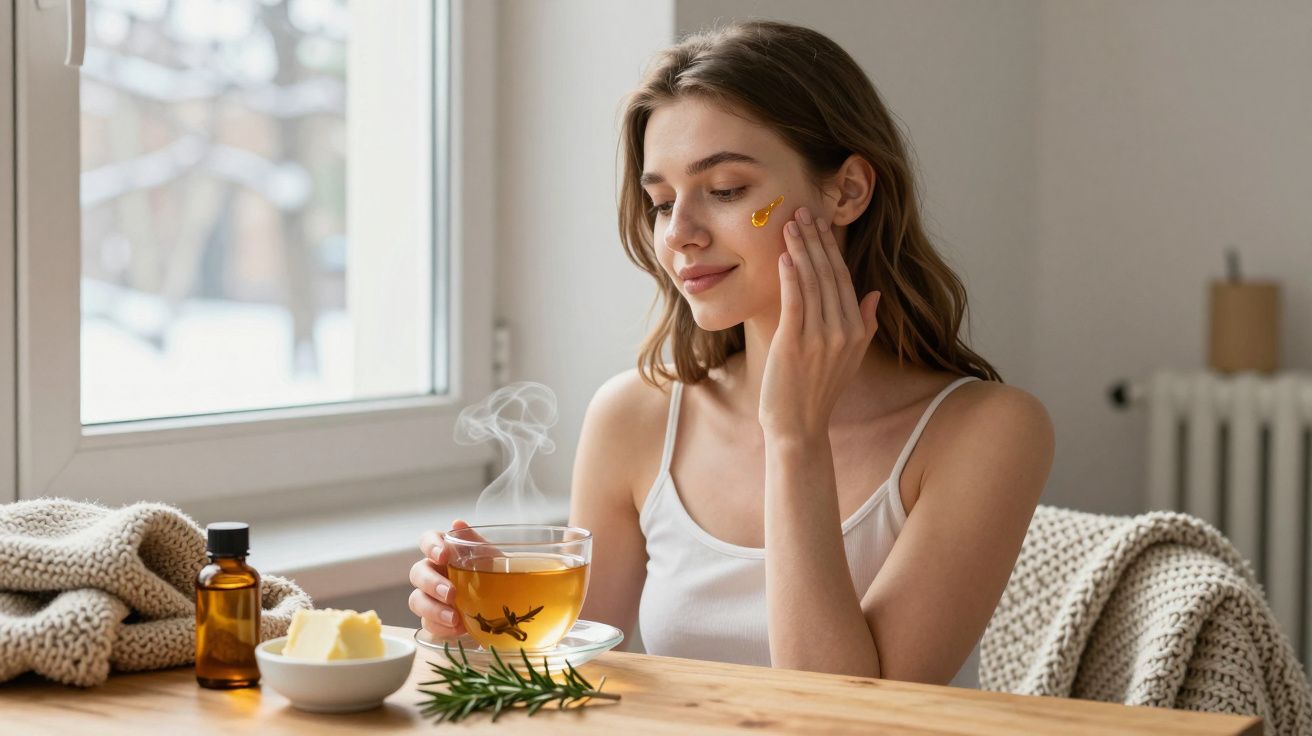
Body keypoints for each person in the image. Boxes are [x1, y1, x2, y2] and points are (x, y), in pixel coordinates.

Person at [409, 20, 1053, 685]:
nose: (679, 235)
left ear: (848, 191)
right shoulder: (633, 418)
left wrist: (796, 437)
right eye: (660, 202)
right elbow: (557, 681)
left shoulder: (987, 431)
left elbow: (849, 719)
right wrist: (475, 625)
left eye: (724, 191)